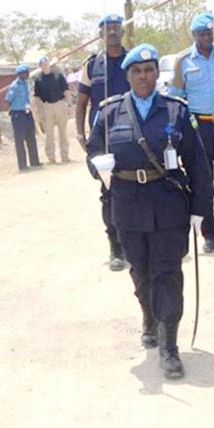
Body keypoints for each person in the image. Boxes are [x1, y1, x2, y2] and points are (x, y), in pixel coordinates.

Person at [86, 44, 213, 379]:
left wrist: (201, 209)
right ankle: (148, 314)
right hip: (127, 204)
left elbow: (198, 164)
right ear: (127, 76)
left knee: (167, 272)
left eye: (149, 71)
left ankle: (169, 345)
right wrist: (98, 165)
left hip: (167, 202)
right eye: (137, 72)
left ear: (158, 74)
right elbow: (93, 149)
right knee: (140, 270)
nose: (143, 77)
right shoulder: (110, 111)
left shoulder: (176, 110)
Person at [169, 12, 214, 253]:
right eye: (201, 34)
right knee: (202, 181)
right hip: (198, 127)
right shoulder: (183, 61)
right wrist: (184, 126)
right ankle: (210, 233)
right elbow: (176, 98)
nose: (206, 38)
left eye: (209, 33)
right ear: (194, 36)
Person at [76, 14, 130, 271]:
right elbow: (82, 101)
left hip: (131, 135)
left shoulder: (132, 61)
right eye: (107, 29)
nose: (112, 32)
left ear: (122, 31)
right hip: (103, 139)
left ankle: (131, 242)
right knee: (108, 193)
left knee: (132, 190)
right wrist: (80, 134)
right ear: (100, 34)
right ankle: (115, 247)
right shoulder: (91, 65)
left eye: (116, 28)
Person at [33, 56, 71, 163]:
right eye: (43, 65)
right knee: (49, 134)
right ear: (40, 66)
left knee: (63, 132)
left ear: (49, 64)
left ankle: (65, 156)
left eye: (46, 63)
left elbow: (66, 91)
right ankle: (51, 157)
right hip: (47, 107)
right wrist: (39, 112)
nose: (45, 66)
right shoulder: (38, 79)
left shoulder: (58, 76)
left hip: (59, 104)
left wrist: (69, 105)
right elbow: (37, 97)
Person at [5, 65, 42, 171]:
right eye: (25, 73)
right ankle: (22, 165)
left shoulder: (26, 83)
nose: (27, 74)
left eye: (27, 72)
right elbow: (8, 100)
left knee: (31, 137)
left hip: (27, 112)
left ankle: (34, 161)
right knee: (20, 140)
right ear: (20, 74)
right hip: (18, 114)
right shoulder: (14, 86)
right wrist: (13, 110)